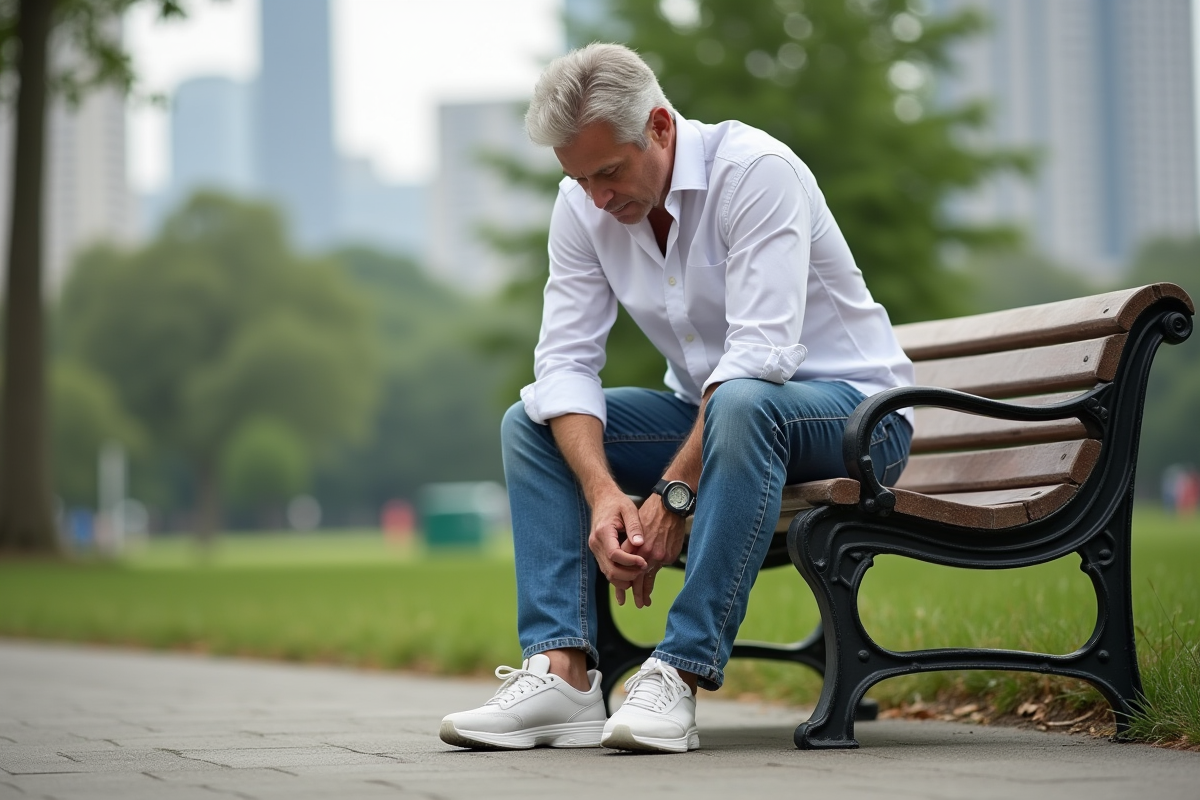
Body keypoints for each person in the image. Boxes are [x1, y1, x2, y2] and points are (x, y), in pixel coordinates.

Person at [440, 42, 914, 754]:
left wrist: (673, 493)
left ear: (659, 127)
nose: (597, 197)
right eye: (579, 177)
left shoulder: (757, 173)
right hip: (723, 419)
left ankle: (679, 671)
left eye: (609, 172)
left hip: (858, 423)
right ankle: (563, 672)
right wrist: (604, 494)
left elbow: (761, 357)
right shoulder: (581, 205)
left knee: (744, 401)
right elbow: (564, 362)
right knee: (533, 423)